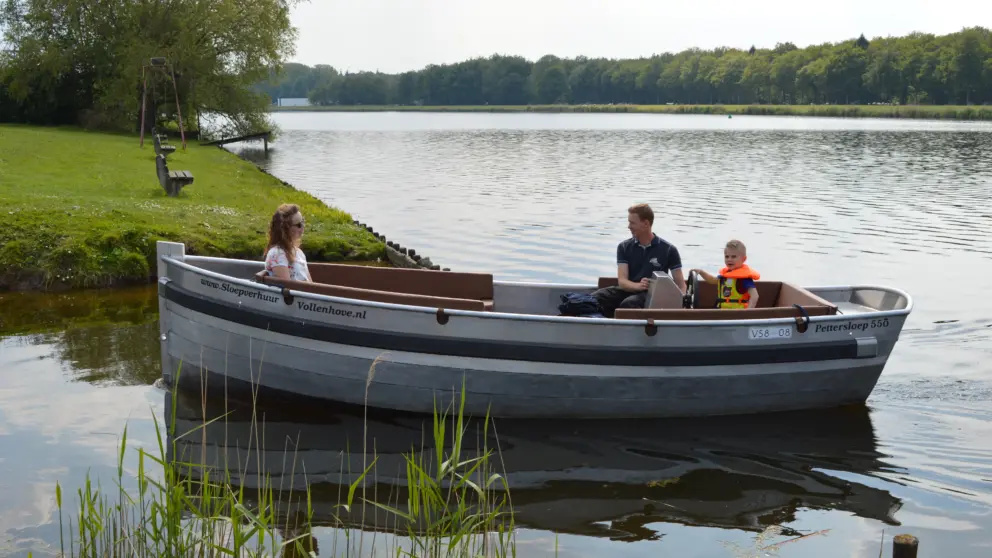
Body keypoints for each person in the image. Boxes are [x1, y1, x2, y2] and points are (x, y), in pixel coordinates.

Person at [592, 203, 686, 317]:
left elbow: (681, 285)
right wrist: (638, 286)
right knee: (595, 298)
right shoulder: (623, 247)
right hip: (628, 290)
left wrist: (680, 306)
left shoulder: (669, 250)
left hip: (650, 295)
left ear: (646, 224)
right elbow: (622, 281)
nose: (629, 227)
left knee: (629, 304)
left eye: (632, 223)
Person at [690, 239, 760, 309]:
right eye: (727, 256)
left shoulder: (744, 279)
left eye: (733, 257)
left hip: (737, 315)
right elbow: (712, 280)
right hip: (722, 312)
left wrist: (748, 312)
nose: (729, 259)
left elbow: (755, 296)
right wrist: (702, 272)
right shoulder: (725, 275)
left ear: (743, 259)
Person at [264, 203, 312, 282]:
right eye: (299, 225)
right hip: (294, 294)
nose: (303, 226)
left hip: (303, 293)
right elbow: (288, 287)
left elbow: (310, 284)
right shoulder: (277, 253)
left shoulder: (299, 253)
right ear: (286, 229)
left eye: (303, 221)